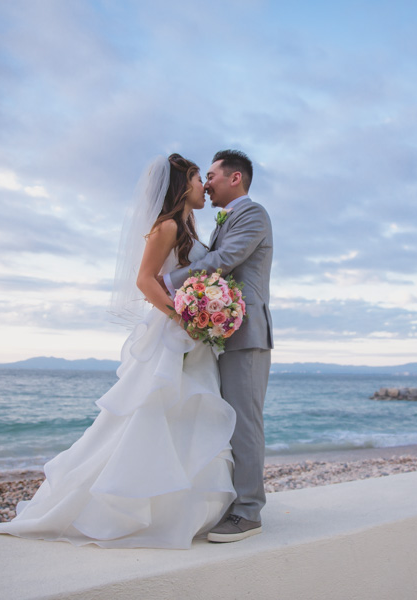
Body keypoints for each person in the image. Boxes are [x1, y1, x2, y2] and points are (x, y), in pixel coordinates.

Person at [0, 154, 238, 549]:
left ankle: (181, 509)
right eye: (199, 178)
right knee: (151, 416)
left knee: (186, 418)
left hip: (191, 339)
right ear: (183, 185)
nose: (204, 186)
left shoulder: (187, 231)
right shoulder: (165, 226)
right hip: (173, 335)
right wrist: (183, 318)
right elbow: (144, 281)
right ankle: (117, 504)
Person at [164, 149, 273, 543]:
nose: (205, 184)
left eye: (210, 176)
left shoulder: (253, 214)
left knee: (244, 421)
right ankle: (230, 502)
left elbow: (225, 259)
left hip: (247, 336)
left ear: (235, 179)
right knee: (223, 421)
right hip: (224, 334)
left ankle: (248, 513)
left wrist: (167, 282)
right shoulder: (225, 221)